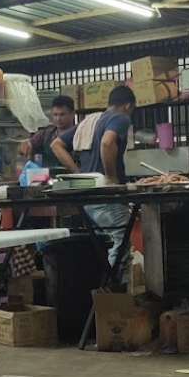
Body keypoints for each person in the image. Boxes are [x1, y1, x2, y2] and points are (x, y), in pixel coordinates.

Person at [82, 84, 136, 271]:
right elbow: (107, 142)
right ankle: (114, 294)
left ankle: (101, 293)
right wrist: (111, 176)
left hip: (87, 196)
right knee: (119, 246)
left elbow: (58, 144)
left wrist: (79, 172)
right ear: (128, 106)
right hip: (107, 196)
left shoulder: (91, 120)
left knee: (102, 245)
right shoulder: (120, 118)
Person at [32, 94, 80, 172]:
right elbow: (30, 144)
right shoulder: (44, 135)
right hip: (49, 180)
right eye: (55, 114)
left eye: (62, 114)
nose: (58, 118)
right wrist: (26, 145)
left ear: (72, 114)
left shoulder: (80, 134)